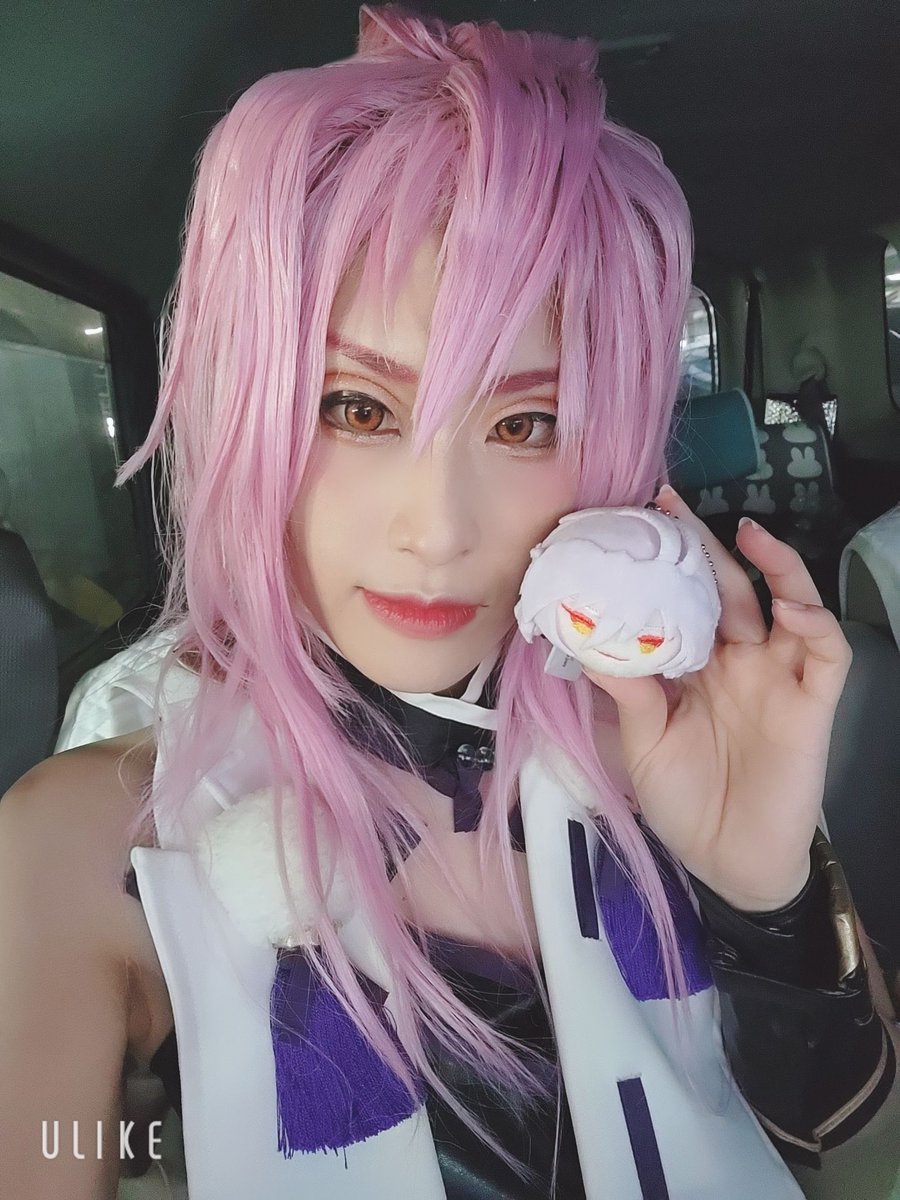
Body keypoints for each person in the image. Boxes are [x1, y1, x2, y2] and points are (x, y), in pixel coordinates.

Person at [1, 6, 898, 1198]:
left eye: (527, 423)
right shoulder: (90, 843)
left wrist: (765, 898)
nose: (438, 530)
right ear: (243, 409)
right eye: (356, 407)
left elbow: (849, 1150)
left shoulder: (682, 733)